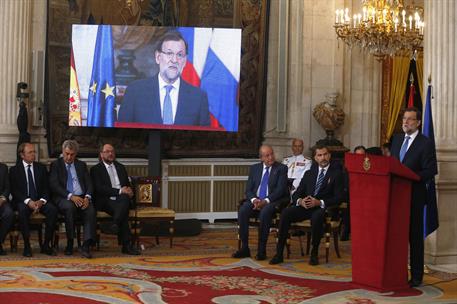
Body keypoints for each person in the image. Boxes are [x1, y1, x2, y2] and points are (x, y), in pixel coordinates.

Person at [269, 145, 343, 266]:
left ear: (329, 156)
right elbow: (297, 193)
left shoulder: (337, 174)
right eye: (320, 155)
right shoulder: (309, 173)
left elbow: (339, 198)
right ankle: (279, 253)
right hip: (306, 206)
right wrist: (300, 201)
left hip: (323, 208)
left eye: (325, 154)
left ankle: (314, 253)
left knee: (317, 216)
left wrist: (320, 202)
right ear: (315, 158)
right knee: (286, 213)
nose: (323, 158)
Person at [118, 31, 210, 126]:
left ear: (185, 61)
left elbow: (203, 138)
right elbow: (122, 134)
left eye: (179, 55)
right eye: (169, 53)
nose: (174, 60)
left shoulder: (198, 97)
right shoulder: (135, 91)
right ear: (158, 57)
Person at [390, 107, 437, 287]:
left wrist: (413, 177)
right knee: (396, 236)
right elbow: (393, 165)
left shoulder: (425, 143)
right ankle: (395, 272)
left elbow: (431, 170)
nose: (405, 122)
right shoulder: (397, 139)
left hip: (414, 196)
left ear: (418, 123)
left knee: (414, 237)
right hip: (395, 196)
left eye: (410, 119)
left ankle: (416, 276)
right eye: (404, 119)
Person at [232, 145, 289, 261]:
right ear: (261, 158)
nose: (271, 157)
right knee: (243, 210)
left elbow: (280, 190)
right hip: (257, 200)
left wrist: (266, 201)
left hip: (273, 201)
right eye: (267, 155)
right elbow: (248, 190)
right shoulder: (254, 168)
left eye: (272, 154)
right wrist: (254, 200)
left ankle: (261, 250)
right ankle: (245, 248)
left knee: (265, 212)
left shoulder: (281, 168)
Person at [49, 140, 97, 258]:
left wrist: (87, 197)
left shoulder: (81, 165)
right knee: (70, 208)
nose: (69, 157)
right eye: (67, 154)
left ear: (76, 154)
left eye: (72, 154)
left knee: (90, 210)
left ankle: (86, 245)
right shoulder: (56, 165)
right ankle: (70, 243)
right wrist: (71, 196)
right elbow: (54, 185)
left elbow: (89, 184)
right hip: (63, 197)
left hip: (81, 197)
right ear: (63, 152)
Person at [90, 143, 140, 255]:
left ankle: (115, 224)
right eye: (107, 151)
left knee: (124, 200)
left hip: (121, 199)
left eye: (112, 151)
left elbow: (126, 185)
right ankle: (126, 245)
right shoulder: (95, 169)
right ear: (101, 154)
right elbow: (99, 189)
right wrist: (119, 191)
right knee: (123, 209)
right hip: (105, 200)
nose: (111, 154)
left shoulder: (121, 167)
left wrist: (130, 191)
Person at [9, 143, 58, 257]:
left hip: (40, 200)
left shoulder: (41, 168)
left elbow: (47, 188)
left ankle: (46, 245)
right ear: (22, 155)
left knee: (52, 210)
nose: (33, 154)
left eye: (34, 152)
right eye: (30, 152)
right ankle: (27, 245)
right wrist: (28, 201)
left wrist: (41, 201)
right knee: (22, 210)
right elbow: (15, 191)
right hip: (23, 201)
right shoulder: (14, 170)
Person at [0, 162, 14, 255]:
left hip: (1, 200)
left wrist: (2, 198)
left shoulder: (3, 167)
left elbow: (8, 187)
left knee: (9, 213)